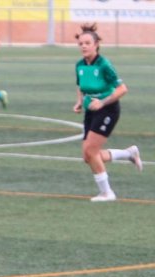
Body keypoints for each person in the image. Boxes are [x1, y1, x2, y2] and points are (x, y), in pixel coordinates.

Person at [73, 23, 142, 202]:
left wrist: (102, 102)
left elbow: (122, 89)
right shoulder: (79, 65)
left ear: (96, 44)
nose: (84, 46)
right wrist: (79, 102)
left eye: (87, 43)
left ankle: (107, 193)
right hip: (91, 111)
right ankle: (129, 154)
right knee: (88, 156)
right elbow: (80, 85)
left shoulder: (104, 65)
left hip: (108, 109)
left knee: (90, 150)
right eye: (81, 43)